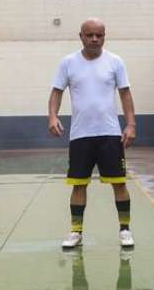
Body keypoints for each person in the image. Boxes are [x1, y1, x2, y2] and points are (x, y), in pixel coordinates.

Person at [48, 18, 137, 249]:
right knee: (79, 185)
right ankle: (76, 232)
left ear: (104, 36)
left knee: (119, 183)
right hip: (80, 135)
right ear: (81, 36)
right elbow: (56, 92)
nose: (95, 39)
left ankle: (125, 230)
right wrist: (52, 116)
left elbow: (125, 94)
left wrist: (131, 125)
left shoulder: (115, 61)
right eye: (90, 35)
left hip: (110, 134)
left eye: (99, 35)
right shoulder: (68, 63)